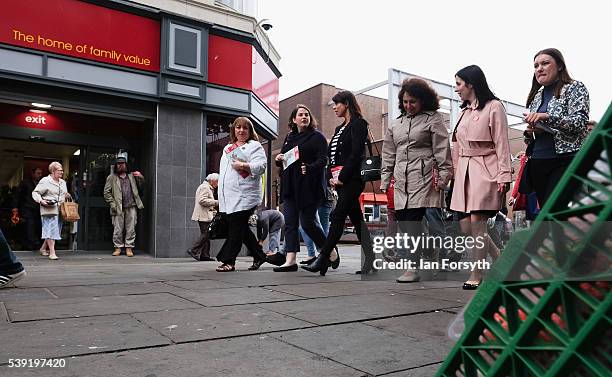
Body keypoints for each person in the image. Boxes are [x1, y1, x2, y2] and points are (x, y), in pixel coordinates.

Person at [379, 78, 453, 283]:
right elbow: (388, 154)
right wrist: (385, 180)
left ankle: (412, 268)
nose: (408, 106)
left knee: (412, 221)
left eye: (413, 101)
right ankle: (431, 250)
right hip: (401, 180)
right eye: (405, 102)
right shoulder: (396, 124)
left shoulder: (433, 119)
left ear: (423, 100)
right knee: (404, 221)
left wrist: (444, 176)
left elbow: (442, 150)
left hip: (425, 177)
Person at [450, 65, 511, 290]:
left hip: (486, 169)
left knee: (478, 223)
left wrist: (504, 175)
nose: (456, 88)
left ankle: (476, 273)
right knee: (467, 228)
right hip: (464, 172)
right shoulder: (464, 111)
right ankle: (501, 259)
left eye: (458, 84)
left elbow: (502, 143)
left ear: (471, 83)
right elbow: (456, 146)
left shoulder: (494, 107)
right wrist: (455, 175)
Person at [303, 91, 374, 276]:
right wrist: (330, 177)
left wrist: (342, 176)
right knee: (358, 220)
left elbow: (356, 153)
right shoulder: (338, 129)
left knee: (337, 215)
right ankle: (371, 260)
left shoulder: (359, 124)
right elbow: (331, 157)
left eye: (337, 104)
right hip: (340, 180)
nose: (334, 107)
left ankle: (324, 256)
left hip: (353, 179)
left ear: (347, 104)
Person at [523, 48, 590, 207]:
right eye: (536, 65)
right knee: (547, 212)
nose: (539, 68)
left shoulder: (575, 87)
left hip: (564, 160)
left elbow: (580, 122)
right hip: (538, 161)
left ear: (559, 66)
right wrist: (531, 131)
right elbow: (530, 137)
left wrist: (548, 117)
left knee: (557, 211)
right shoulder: (536, 96)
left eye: (545, 63)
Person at [275, 104, 328, 272]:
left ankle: (329, 251)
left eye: (307, 114)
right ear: (293, 119)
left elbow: (323, 159)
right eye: (301, 115)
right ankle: (290, 260)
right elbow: (284, 157)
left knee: (307, 223)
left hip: (309, 186)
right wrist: (278, 158)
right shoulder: (289, 137)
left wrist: (310, 167)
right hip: (290, 185)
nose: (304, 117)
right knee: (290, 223)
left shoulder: (317, 137)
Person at [215, 117, 269, 272]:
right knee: (242, 229)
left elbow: (261, 167)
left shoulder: (255, 146)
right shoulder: (228, 148)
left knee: (236, 228)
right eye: (238, 127)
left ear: (250, 131)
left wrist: (244, 165)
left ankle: (228, 261)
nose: (241, 130)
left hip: (245, 195)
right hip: (228, 196)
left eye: (245, 128)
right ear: (234, 129)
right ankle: (259, 255)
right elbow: (224, 173)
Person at [103, 156, 144, 257]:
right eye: (119, 164)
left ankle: (129, 247)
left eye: (123, 163)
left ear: (126, 165)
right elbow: (106, 193)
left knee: (131, 228)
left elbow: (141, 187)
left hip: (132, 206)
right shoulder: (111, 177)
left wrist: (140, 177)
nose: (121, 165)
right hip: (118, 207)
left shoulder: (132, 176)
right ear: (116, 166)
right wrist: (113, 204)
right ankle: (118, 247)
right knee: (118, 228)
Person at [32, 161, 72, 260]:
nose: (62, 172)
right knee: (50, 229)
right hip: (48, 209)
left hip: (60, 209)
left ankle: (42, 248)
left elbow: (64, 193)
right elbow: (35, 193)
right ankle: (52, 252)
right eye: (60, 170)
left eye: (62, 170)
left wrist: (67, 195)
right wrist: (41, 200)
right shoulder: (45, 181)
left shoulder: (63, 182)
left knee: (55, 231)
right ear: (53, 171)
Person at [187, 173, 219, 262]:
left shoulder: (207, 187)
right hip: (203, 215)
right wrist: (216, 202)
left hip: (205, 215)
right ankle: (193, 250)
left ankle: (205, 255)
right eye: (217, 182)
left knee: (207, 234)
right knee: (206, 234)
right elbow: (202, 200)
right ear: (212, 181)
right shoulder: (205, 187)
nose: (217, 185)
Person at [12, 167, 43, 251]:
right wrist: (15, 207)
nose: (40, 175)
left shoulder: (41, 184)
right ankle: (34, 244)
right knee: (30, 225)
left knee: (37, 226)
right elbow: (17, 196)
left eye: (41, 173)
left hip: (38, 209)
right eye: (38, 173)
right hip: (27, 208)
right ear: (32, 173)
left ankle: (33, 244)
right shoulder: (25, 183)